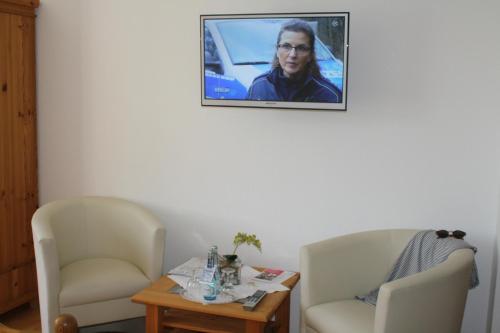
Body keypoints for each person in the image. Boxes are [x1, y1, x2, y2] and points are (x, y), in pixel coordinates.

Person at [246, 19, 342, 103]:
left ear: (310, 55)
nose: (292, 55)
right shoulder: (258, 87)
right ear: (277, 50)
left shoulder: (331, 96)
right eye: (286, 46)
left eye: (301, 48)